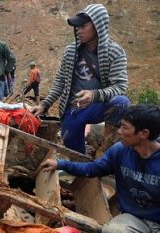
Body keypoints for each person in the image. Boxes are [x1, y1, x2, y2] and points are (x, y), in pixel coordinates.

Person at [41, 104, 160, 233]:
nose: (118, 131)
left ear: (144, 133)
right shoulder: (120, 151)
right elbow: (93, 169)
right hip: (135, 217)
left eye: (124, 128)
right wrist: (61, 164)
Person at [31, 4, 130, 155]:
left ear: (98, 27)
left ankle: (106, 152)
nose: (79, 30)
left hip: (97, 106)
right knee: (74, 152)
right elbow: (60, 81)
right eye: (77, 26)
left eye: (84, 26)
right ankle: (81, 166)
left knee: (121, 102)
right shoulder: (71, 51)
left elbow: (119, 87)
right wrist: (44, 105)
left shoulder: (114, 52)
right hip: (74, 109)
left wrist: (94, 95)